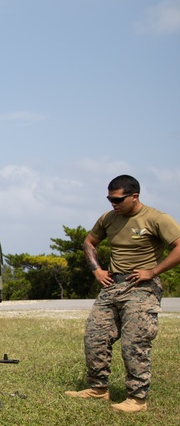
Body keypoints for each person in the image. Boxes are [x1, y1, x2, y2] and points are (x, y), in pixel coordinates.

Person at [66, 175, 180, 413]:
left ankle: (137, 399)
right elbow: (89, 243)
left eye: (117, 199)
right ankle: (98, 389)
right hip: (112, 286)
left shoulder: (156, 218)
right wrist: (97, 270)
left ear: (134, 196)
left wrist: (153, 271)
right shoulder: (109, 218)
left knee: (134, 342)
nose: (112, 204)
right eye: (109, 199)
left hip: (141, 288)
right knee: (95, 338)